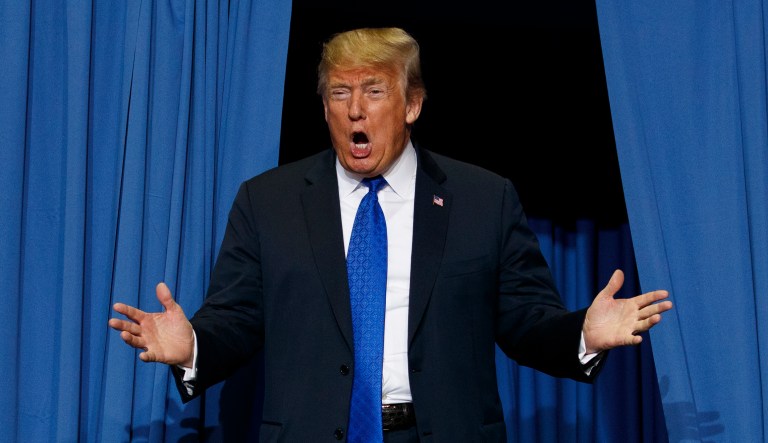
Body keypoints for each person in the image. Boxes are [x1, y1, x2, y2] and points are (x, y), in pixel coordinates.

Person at [109, 26, 672, 442]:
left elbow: (526, 323)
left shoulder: (484, 200)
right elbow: (236, 319)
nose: (355, 109)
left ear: (413, 105)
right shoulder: (268, 202)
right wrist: (193, 347)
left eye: (374, 91)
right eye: (338, 92)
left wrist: (584, 335)